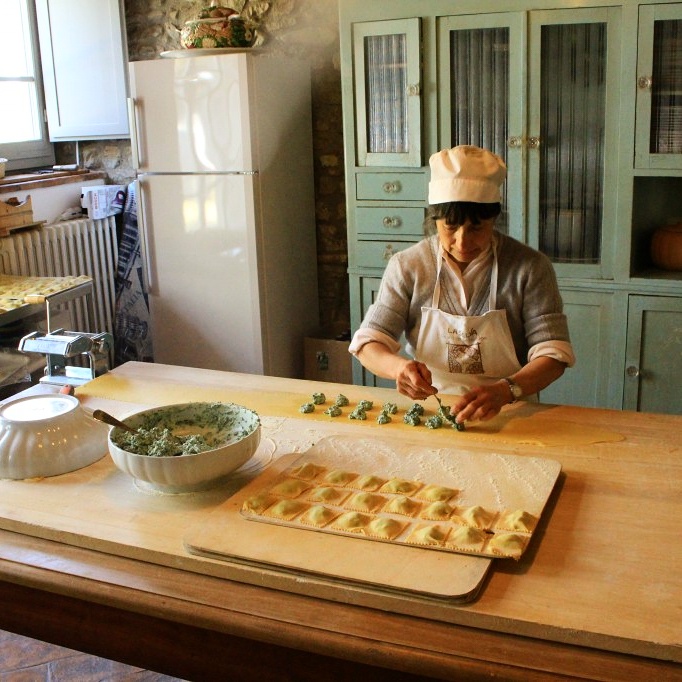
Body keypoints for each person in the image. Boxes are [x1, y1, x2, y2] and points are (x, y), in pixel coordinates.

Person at [349, 145, 575, 424]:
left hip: (512, 409)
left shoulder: (529, 267)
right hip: (432, 408)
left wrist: (506, 390)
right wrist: (400, 369)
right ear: (435, 220)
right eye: (450, 227)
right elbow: (368, 343)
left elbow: (554, 355)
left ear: (494, 219)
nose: (462, 241)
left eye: (477, 228)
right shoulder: (408, 266)